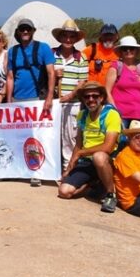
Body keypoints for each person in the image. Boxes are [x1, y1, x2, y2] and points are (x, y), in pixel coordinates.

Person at [6, 17, 56, 187]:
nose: (25, 32)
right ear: (18, 32)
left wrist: (49, 97)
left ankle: (37, 171)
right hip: (18, 100)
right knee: (19, 136)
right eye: (22, 29)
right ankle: (20, 168)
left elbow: (51, 73)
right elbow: (10, 77)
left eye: (28, 29)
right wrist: (9, 101)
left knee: (36, 136)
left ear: (33, 31)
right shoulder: (12, 52)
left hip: (36, 99)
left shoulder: (43, 48)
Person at [58, 81, 121, 213]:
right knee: (64, 191)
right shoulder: (82, 115)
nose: (91, 99)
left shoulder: (111, 114)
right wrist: (70, 167)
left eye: (95, 96)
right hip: (86, 160)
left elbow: (108, 147)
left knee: (99, 157)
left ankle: (110, 194)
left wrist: (81, 153)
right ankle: (93, 184)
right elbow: (79, 144)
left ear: (102, 98)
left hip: (106, 159)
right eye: (87, 97)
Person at [51, 18, 89, 170]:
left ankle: (69, 169)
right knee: (53, 136)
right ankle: (53, 169)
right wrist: (54, 74)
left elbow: (82, 82)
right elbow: (44, 76)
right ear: (60, 37)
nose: (68, 39)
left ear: (75, 39)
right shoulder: (51, 55)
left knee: (70, 137)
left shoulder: (81, 58)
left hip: (72, 105)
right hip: (53, 103)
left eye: (71, 36)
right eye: (65, 36)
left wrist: (70, 95)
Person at [105, 35, 140, 128]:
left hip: (139, 115)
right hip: (121, 116)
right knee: (121, 142)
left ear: (136, 50)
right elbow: (107, 91)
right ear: (121, 52)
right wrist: (115, 112)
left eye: (131, 48)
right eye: (125, 49)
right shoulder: (116, 67)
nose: (128, 51)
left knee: (137, 142)